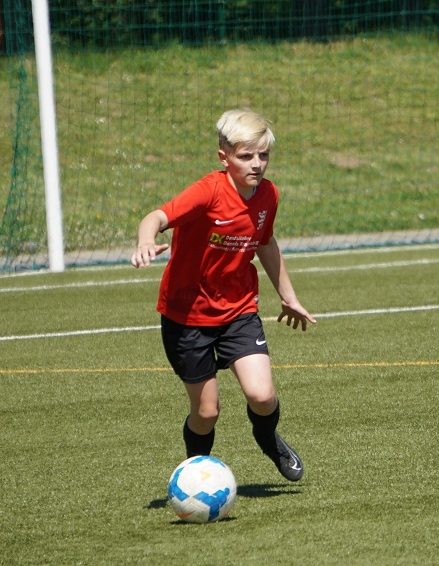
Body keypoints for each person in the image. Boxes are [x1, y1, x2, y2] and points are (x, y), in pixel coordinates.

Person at [131, 109, 315, 481]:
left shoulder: (268, 194)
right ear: (224, 157)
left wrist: (288, 296)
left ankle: (268, 439)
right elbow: (157, 217)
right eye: (246, 156)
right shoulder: (207, 192)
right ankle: (196, 475)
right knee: (207, 413)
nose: (257, 164)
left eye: (263, 155)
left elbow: (265, 242)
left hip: (238, 309)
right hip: (187, 317)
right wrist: (146, 240)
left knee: (262, 395)